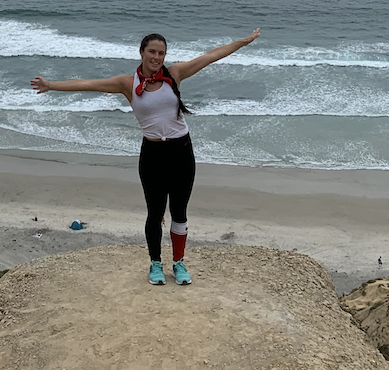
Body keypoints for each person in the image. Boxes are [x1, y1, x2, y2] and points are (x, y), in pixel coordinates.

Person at [31, 28, 260, 286]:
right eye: (152, 51)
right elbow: (88, 84)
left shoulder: (174, 75)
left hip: (181, 150)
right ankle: (155, 264)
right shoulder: (127, 84)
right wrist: (50, 85)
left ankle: (179, 262)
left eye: (161, 53)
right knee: (155, 213)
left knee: (179, 212)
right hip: (152, 154)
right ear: (141, 53)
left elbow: (210, 57)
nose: (157, 57)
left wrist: (243, 42)